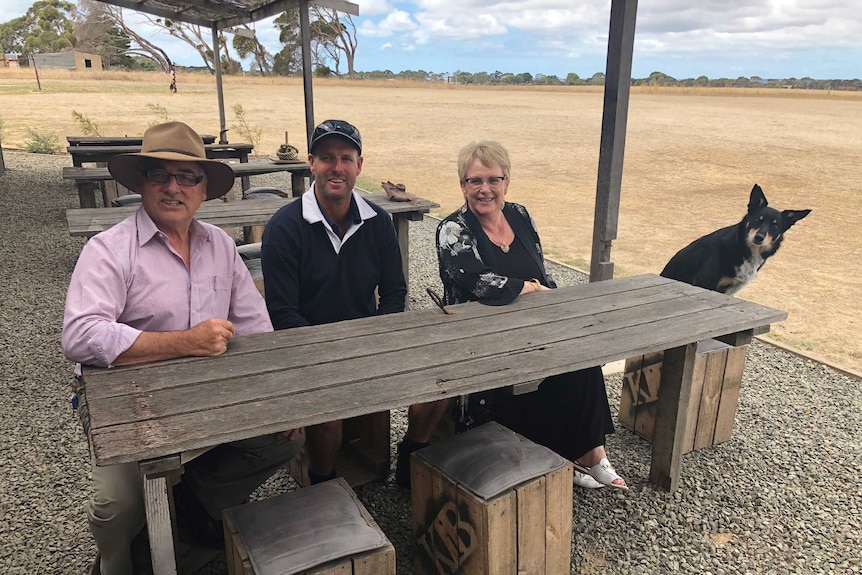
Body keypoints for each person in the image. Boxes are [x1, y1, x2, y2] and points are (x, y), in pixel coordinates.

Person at [62, 121, 304, 575]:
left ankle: (187, 514)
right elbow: (79, 335)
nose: (174, 187)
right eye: (160, 175)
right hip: (131, 403)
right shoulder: (108, 250)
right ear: (140, 183)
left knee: (282, 439)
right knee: (117, 507)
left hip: (207, 395)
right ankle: (115, 564)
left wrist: (278, 397)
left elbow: (256, 328)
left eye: (187, 177)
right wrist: (184, 343)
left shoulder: (221, 246)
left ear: (203, 190)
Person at [262, 119, 449, 488]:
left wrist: (374, 340)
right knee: (328, 410)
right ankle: (324, 482)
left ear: (359, 166)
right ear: (311, 163)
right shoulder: (284, 227)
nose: (337, 167)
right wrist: (332, 352)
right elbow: (282, 313)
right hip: (308, 347)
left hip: (368, 340)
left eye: (346, 158)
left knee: (441, 377)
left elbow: (395, 292)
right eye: (327, 158)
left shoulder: (378, 222)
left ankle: (411, 455)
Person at [435, 140, 628, 490]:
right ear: (462, 185)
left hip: (532, 328)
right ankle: (551, 455)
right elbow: (482, 284)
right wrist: (536, 289)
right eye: (475, 181)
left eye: (494, 180)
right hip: (478, 337)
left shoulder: (520, 216)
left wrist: (559, 306)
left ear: (506, 182)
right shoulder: (452, 230)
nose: (485, 189)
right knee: (512, 383)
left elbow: (544, 271)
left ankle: (590, 451)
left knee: (582, 354)